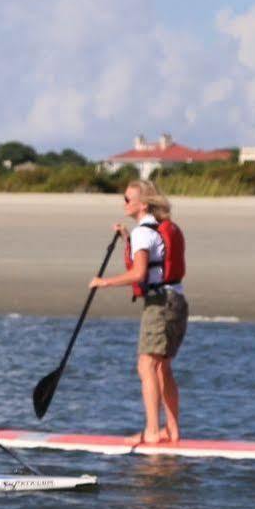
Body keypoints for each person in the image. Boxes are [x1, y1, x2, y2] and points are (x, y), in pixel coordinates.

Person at [90, 177, 186, 446]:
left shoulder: (144, 232)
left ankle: (153, 432)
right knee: (162, 368)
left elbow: (139, 272)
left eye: (127, 199)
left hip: (160, 305)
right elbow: (151, 260)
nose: (123, 202)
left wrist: (104, 282)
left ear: (142, 205)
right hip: (176, 300)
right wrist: (125, 239)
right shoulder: (154, 229)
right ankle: (172, 431)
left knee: (147, 365)